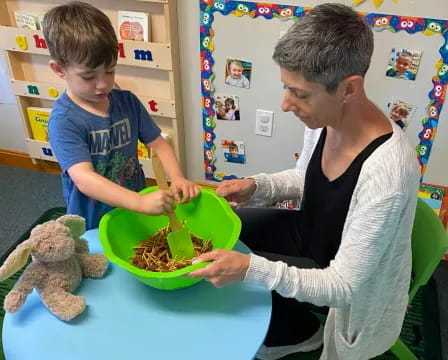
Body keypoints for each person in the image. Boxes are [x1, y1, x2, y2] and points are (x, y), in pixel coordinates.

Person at [188, 4, 419, 360]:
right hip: (309, 232)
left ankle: (298, 334)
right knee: (231, 227)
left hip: (341, 276)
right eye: (287, 88)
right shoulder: (327, 121)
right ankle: (287, 325)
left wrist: (251, 269)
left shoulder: (389, 174)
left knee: (245, 268)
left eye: (301, 94)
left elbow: (343, 287)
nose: (285, 104)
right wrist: (257, 186)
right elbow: (308, 180)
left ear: (349, 89)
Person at [43, 1, 199, 230]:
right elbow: (84, 179)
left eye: (110, 70)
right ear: (59, 70)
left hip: (132, 207)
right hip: (92, 218)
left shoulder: (127, 102)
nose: (103, 84)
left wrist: (177, 176)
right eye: (88, 76)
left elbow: (158, 144)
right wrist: (140, 201)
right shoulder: (64, 121)